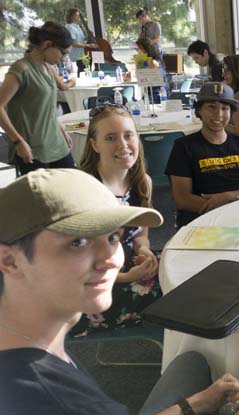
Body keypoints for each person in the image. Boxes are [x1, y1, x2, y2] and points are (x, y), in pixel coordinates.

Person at [0, 168, 239, 415]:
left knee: (191, 361)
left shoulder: (29, 340)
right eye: (78, 242)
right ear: (9, 260)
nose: (111, 259)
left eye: (114, 237)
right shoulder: (45, 398)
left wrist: (193, 406)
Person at [68, 103, 161, 336]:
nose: (123, 145)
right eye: (110, 138)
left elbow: (141, 234)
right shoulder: (83, 192)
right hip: (97, 289)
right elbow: (74, 265)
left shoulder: (142, 182)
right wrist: (126, 277)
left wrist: (144, 253)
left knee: (187, 273)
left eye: (128, 135)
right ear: (94, 145)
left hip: (130, 270)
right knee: (181, 295)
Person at [166, 82, 239, 227]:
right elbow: (182, 199)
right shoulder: (183, 146)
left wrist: (228, 197)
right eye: (211, 107)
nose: (219, 114)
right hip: (203, 219)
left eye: (225, 108)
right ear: (199, 111)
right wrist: (223, 211)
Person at [0, 22, 76, 176]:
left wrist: (60, 129)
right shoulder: (21, 70)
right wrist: (18, 142)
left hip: (56, 142)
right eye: (63, 53)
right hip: (34, 147)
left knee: (70, 187)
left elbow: (46, 107)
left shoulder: (48, 67)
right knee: (43, 197)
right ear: (48, 45)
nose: (64, 59)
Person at [64, 8, 97, 75]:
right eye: (77, 15)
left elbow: (81, 39)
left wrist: (88, 36)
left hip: (82, 54)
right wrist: (88, 45)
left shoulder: (77, 26)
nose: (79, 17)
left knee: (87, 70)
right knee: (83, 72)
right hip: (76, 56)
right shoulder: (70, 27)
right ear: (72, 16)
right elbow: (73, 44)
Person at [136, 37, 168, 103]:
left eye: (139, 49)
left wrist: (138, 64)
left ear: (144, 49)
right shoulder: (153, 59)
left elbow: (144, 79)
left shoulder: (153, 62)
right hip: (152, 92)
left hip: (156, 94)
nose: (138, 51)